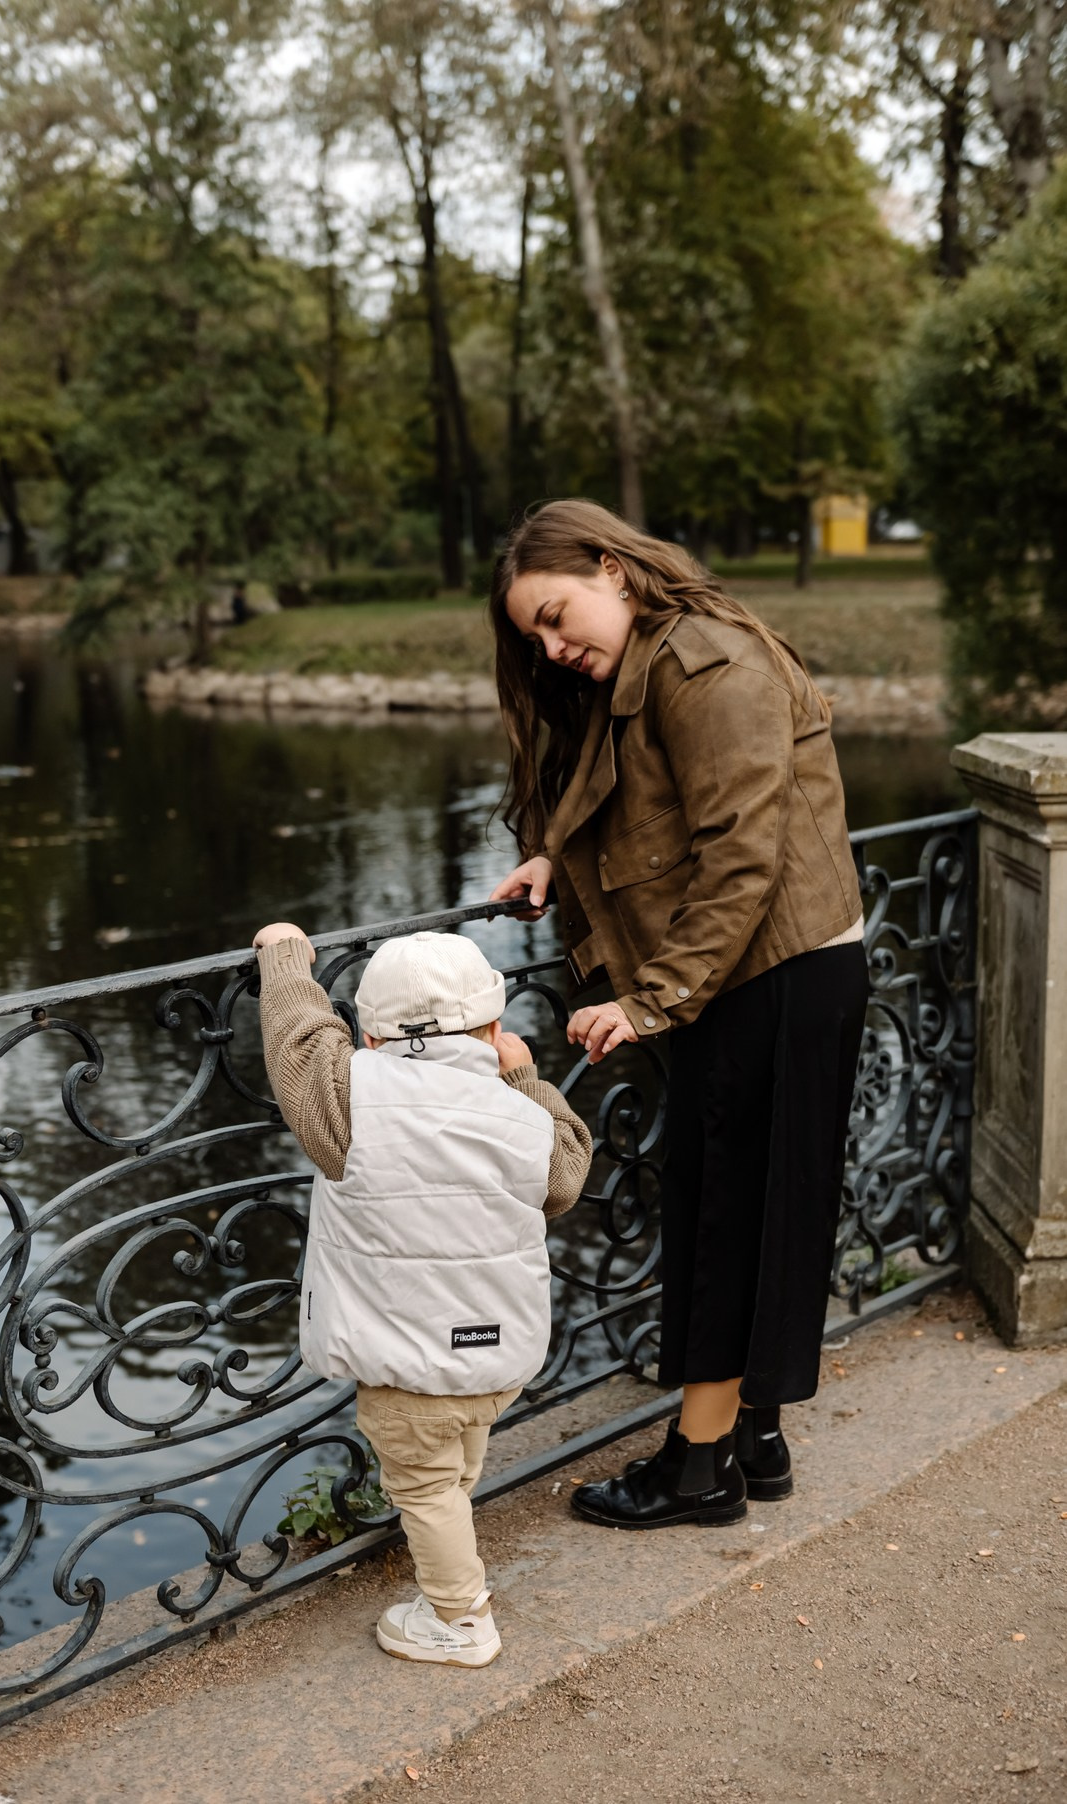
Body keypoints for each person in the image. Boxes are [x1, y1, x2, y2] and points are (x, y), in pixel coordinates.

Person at [487, 498, 868, 1531]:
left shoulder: (705, 664)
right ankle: (755, 1434)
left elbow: (738, 853)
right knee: (752, 1208)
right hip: (766, 972)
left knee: (729, 1220)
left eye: (559, 616)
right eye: (537, 637)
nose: (555, 647)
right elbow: (647, 806)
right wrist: (552, 863)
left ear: (612, 566)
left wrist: (649, 999)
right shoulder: (660, 659)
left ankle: (696, 1469)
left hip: (769, 974)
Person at [253, 922, 591, 1663]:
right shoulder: (524, 1116)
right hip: (498, 1351)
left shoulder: (348, 1093)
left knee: (426, 1488)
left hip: (405, 1363)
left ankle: (459, 1620)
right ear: (494, 1028)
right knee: (455, 1459)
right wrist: (524, 1077)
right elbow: (567, 1175)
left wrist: (284, 956)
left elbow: (299, 1041)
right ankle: (451, 1562)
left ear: (368, 1035)